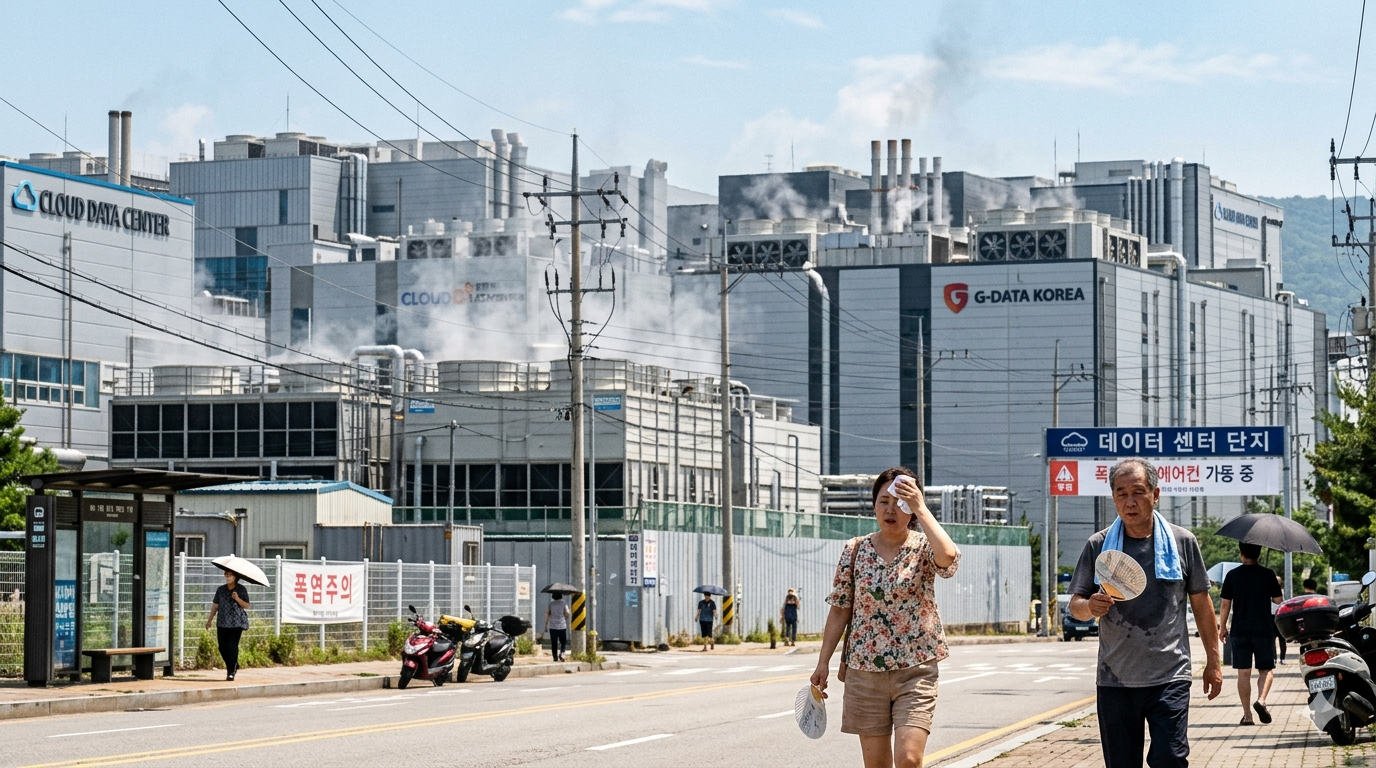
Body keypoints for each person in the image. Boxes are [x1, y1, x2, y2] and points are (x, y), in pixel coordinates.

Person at [1069, 458, 1222, 768]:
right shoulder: (1098, 546)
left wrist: (1213, 663)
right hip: (1115, 680)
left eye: (1138, 492)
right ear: (1112, 497)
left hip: (1170, 676)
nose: (1130, 502)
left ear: (1155, 494)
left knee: (1171, 759)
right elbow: (1076, 605)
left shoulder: (1183, 543)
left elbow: (1202, 606)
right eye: (1121, 493)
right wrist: (1090, 607)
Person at [811, 467, 960, 768]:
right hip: (864, 673)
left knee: (908, 759)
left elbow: (948, 558)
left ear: (913, 508)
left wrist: (921, 507)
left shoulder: (922, 547)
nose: (891, 510)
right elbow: (840, 608)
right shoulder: (855, 550)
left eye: (901, 502)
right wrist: (823, 662)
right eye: (883, 501)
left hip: (915, 670)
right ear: (874, 505)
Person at [1218, 544, 1285, 725]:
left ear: (1241, 554)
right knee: (1266, 669)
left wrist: (1222, 627)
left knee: (1244, 673)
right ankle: (1261, 700)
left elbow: (1225, 604)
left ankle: (1247, 715)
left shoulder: (1232, 576)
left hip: (1240, 630)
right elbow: (1278, 601)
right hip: (1263, 630)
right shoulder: (1268, 574)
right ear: (1259, 554)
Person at [206, 569, 250, 681]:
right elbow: (215, 605)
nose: (227, 576)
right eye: (226, 574)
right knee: (222, 647)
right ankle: (234, 664)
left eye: (230, 575)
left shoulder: (241, 589)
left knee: (232, 646)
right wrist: (210, 620)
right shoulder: (220, 590)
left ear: (235, 576)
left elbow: (246, 605)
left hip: (236, 623)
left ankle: (230, 671)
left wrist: (237, 598)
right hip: (222, 622)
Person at [544, 593, 571, 662]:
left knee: (554, 642)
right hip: (562, 626)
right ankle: (562, 653)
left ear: (553, 597)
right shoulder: (563, 603)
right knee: (563, 641)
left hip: (552, 626)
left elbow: (547, 614)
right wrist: (564, 616)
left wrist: (545, 626)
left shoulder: (551, 604)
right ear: (561, 596)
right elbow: (567, 612)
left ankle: (555, 657)